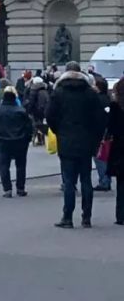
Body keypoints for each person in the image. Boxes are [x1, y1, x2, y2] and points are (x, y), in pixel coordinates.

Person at [47, 61, 108, 229]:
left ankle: (67, 217)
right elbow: (101, 120)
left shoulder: (58, 92)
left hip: (66, 141)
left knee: (69, 182)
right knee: (86, 180)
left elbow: (50, 116)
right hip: (86, 142)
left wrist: (59, 131)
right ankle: (86, 217)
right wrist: (95, 139)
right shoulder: (90, 93)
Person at [0, 88, 32, 198]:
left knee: (4, 166)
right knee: (21, 166)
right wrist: (27, 139)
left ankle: (7, 189)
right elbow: (29, 127)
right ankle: (20, 188)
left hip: (2, 141)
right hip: (20, 141)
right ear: (15, 99)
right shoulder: (21, 111)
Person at [104, 79, 124, 224]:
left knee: (121, 183)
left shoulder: (115, 106)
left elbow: (110, 128)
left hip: (120, 147)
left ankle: (121, 215)